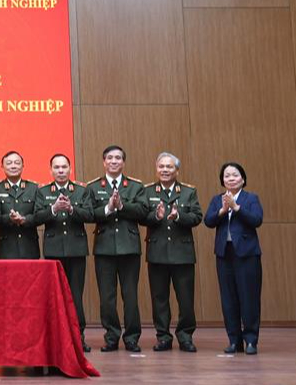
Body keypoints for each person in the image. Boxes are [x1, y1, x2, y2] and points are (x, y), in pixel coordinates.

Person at [85, 145, 146, 352]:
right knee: (107, 297)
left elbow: (143, 211)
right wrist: (108, 208)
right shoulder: (93, 187)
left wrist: (122, 206)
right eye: (110, 158)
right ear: (104, 162)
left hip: (129, 248)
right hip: (104, 248)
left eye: (118, 158)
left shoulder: (135, 186)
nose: (114, 161)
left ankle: (132, 338)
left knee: (130, 296)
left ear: (123, 162)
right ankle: (111, 336)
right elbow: (90, 214)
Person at [142, 153, 202, 353]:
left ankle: (185, 336)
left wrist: (179, 216)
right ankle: (163, 337)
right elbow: (141, 216)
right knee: (159, 298)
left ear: (177, 170)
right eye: (161, 166)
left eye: (169, 167)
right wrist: (156, 216)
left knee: (185, 299)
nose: (165, 170)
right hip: (157, 253)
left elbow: (197, 216)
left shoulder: (188, 191)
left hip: (182, 253)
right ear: (156, 168)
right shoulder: (148, 190)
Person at [33, 153, 93, 352]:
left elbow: (90, 215)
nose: (60, 171)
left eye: (64, 167)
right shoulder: (42, 191)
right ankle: (55, 339)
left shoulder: (81, 191)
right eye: (56, 168)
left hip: (76, 250)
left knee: (76, 295)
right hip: (53, 251)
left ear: (70, 169)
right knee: (55, 296)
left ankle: (78, 337)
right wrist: (53, 209)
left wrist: (71, 209)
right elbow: (36, 217)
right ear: (51, 170)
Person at [204, 162, 263, 355]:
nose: (230, 178)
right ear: (222, 180)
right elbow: (208, 221)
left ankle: (251, 341)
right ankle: (234, 341)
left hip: (246, 254)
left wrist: (236, 207)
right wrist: (222, 210)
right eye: (227, 176)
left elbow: (257, 220)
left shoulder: (250, 198)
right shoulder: (217, 199)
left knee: (249, 298)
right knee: (229, 299)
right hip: (224, 254)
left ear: (243, 179)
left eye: (235, 175)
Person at [0, 151, 40, 259]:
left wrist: (24, 219)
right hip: (6, 247)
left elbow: (40, 216)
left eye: (17, 163)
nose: (13, 166)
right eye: (9, 163)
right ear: (2, 167)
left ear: (23, 166)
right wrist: (9, 218)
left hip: (29, 247)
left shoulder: (33, 188)